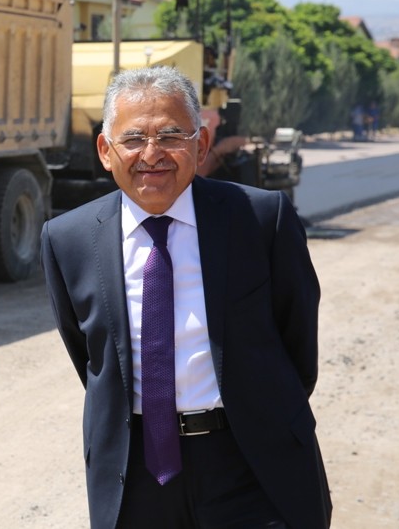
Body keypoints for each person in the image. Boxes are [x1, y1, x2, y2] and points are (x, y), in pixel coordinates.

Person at [41, 66, 331, 529]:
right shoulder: (67, 239)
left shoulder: (261, 221)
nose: (151, 154)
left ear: (199, 145)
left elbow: (298, 345)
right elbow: (92, 359)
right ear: (105, 151)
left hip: (252, 463)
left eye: (171, 136)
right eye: (133, 139)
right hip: (136, 476)